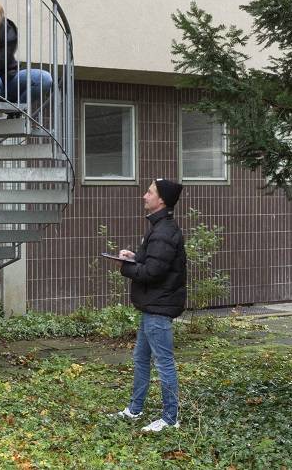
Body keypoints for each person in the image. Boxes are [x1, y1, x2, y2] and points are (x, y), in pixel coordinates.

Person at [111, 178, 186, 432]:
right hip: (152, 306)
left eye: (150, 192)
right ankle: (135, 409)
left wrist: (126, 268)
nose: (144, 195)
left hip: (158, 308)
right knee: (141, 358)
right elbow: (151, 259)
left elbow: (153, 272)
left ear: (161, 200)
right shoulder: (159, 228)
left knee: (163, 362)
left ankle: (170, 418)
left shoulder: (164, 232)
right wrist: (134, 257)